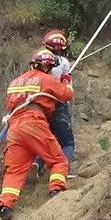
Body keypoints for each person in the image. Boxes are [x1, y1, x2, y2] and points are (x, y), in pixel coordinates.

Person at [0, 49, 74, 220]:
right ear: (47, 67)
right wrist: (66, 80)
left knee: (15, 170)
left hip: (15, 129)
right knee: (58, 159)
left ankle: (5, 205)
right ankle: (56, 189)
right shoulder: (46, 79)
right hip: (34, 123)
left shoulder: (15, 82)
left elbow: (10, 105)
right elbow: (67, 94)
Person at [32, 29, 77, 179]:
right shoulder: (63, 62)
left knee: (47, 137)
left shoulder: (37, 60)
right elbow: (66, 86)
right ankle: (63, 170)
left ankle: (38, 162)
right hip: (58, 104)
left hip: (39, 106)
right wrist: (66, 78)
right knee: (67, 141)